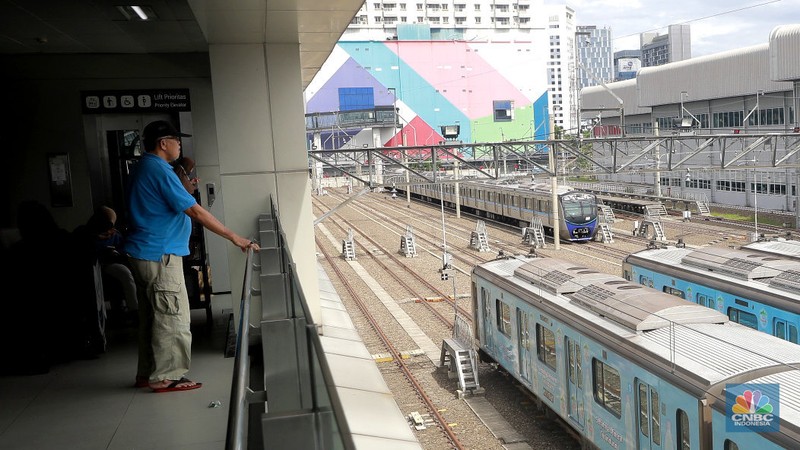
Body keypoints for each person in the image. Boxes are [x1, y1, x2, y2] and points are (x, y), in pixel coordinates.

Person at [125, 120, 259, 393]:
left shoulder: (146, 167)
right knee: (172, 316)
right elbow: (196, 212)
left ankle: (148, 372)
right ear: (163, 143)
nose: (179, 146)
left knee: (152, 317)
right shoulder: (159, 169)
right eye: (176, 140)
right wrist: (234, 237)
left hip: (145, 251)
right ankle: (166, 376)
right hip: (161, 254)